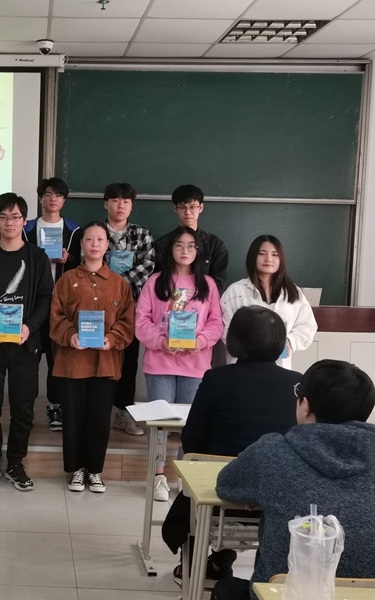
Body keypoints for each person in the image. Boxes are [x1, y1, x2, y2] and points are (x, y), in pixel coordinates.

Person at [212, 360, 375, 600]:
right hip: (364, 595)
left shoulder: (272, 451)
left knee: (225, 589)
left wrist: (258, 489)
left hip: (283, 593)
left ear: (305, 405)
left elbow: (225, 484)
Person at [161, 305, 301, 583]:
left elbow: (192, 440)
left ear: (234, 341)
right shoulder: (298, 383)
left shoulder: (217, 378)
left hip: (221, 494)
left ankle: (202, 563)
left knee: (196, 483)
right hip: (280, 496)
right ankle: (230, 563)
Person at [0, 192, 54, 492]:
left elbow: (45, 298)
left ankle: (16, 462)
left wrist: (30, 327)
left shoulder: (37, 257)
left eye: (15, 217)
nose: (9, 222)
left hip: (25, 344)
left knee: (23, 407)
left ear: (25, 221)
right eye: (3, 217)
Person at [135, 226, 223, 501]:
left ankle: (186, 476)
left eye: (191, 246)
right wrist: (161, 341)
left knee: (192, 425)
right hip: (160, 363)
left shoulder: (207, 285)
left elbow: (216, 323)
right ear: (169, 250)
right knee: (159, 423)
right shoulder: (155, 282)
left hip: (195, 365)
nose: (185, 251)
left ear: (198, 251)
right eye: (179, 245)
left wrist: (200, 341)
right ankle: (158, 476)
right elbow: (141, 321)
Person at [50, 221, 133, 493]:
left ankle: (95, 470)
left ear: (108, 245)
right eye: (89, 239)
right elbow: (55, 318)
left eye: (100, 239)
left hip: (106, 364)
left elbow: (127, 322)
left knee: (99, 419)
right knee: (73, 420)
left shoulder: (119, 284)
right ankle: (76, 469)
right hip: (72, 363)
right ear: (81, 244)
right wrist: (70, 334)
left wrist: (113, 338)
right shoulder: (66, 280)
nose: (94, 244)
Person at [24, 177, 81, 432]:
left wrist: (69, 259)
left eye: (57, 195)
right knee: (29, 359)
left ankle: (55, 406)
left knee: (58, 359)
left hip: (63, 304)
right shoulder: (27, 228)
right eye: (47, 194)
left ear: (64, 200)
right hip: (32, 303)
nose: (52, 199)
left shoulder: (74, 230)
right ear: (41, 198)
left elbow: (82, 263)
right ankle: (26, 407)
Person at [103, 183, 156, 437]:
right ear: (106, 204)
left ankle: (123, 413)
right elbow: (87, 261)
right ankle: (99, 412)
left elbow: (148, 265)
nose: (120, 205)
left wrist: (117, 283)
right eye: (115, 200)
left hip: (131, 309)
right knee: (100, 359)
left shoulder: (142, 234)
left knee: (128, 362)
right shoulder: (95, 232)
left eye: (126, 201)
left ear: (131, 206)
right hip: (99, 310)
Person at [221, 235, 317, 370]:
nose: (268, 259)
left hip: (279, 367)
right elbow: (225, 327)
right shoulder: (236, 291)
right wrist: (247, 348)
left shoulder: (293, 292)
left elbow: (307, 326)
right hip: (242, 366)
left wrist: (290, 342)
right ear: (252, 257)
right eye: (262, 254)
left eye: (275, 255)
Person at [154, 185, 228, 294]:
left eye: (193, 207)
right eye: (182, 207)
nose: (188, 212)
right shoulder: (162, 244)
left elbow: (218, 284)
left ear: (201, 208)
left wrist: (195, 300)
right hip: (169, 301)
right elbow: (158, 281)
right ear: (175, 208)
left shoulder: (215, 244)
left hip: (203, 301)